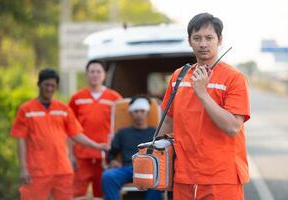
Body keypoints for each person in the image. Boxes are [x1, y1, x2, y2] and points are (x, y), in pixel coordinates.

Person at [158, 13, 250, 200]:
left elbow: (233, 127)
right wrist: (160, 161)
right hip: (183, 176)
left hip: (222, 178)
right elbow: (168, 121)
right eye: (197, 38)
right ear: (189, 41)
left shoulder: (234, 78)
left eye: (209, 38)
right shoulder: (178, 76)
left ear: (220, 40)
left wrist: (202, 92)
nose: (203, 44)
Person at [11, 69, 107, 200]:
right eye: (47, 85)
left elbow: (75, 134)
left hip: (62, 170)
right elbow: (21, 140)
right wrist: (23, 168)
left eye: (53, 86)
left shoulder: (63, 109)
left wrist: (96, 145)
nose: (50, 89)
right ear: (39, 84)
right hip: (37, 171)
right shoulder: (26, 109)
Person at [68, 60, 122, 199]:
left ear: (104, 75)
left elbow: (120, 128)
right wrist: (70, 155)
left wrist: (117, 156)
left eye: (98, 71)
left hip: (105, 156)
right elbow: (69, 129)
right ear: (87, 74)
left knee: (103, 195)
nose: (95, 75)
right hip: (81, 157)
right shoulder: (76, 98)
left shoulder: (115, 98)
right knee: (76, 195)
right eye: (92, 71)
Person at [102, 95, 163, 200]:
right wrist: (112, 160)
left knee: (157, 178)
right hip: (127, 168)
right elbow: (112, 153)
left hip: (149, 170)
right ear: (131, 113)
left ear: (147, 113)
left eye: (142, 111)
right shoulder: (123, 133)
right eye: (136, 111)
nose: (139, 114)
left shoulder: (155, 133)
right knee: (108, 176)